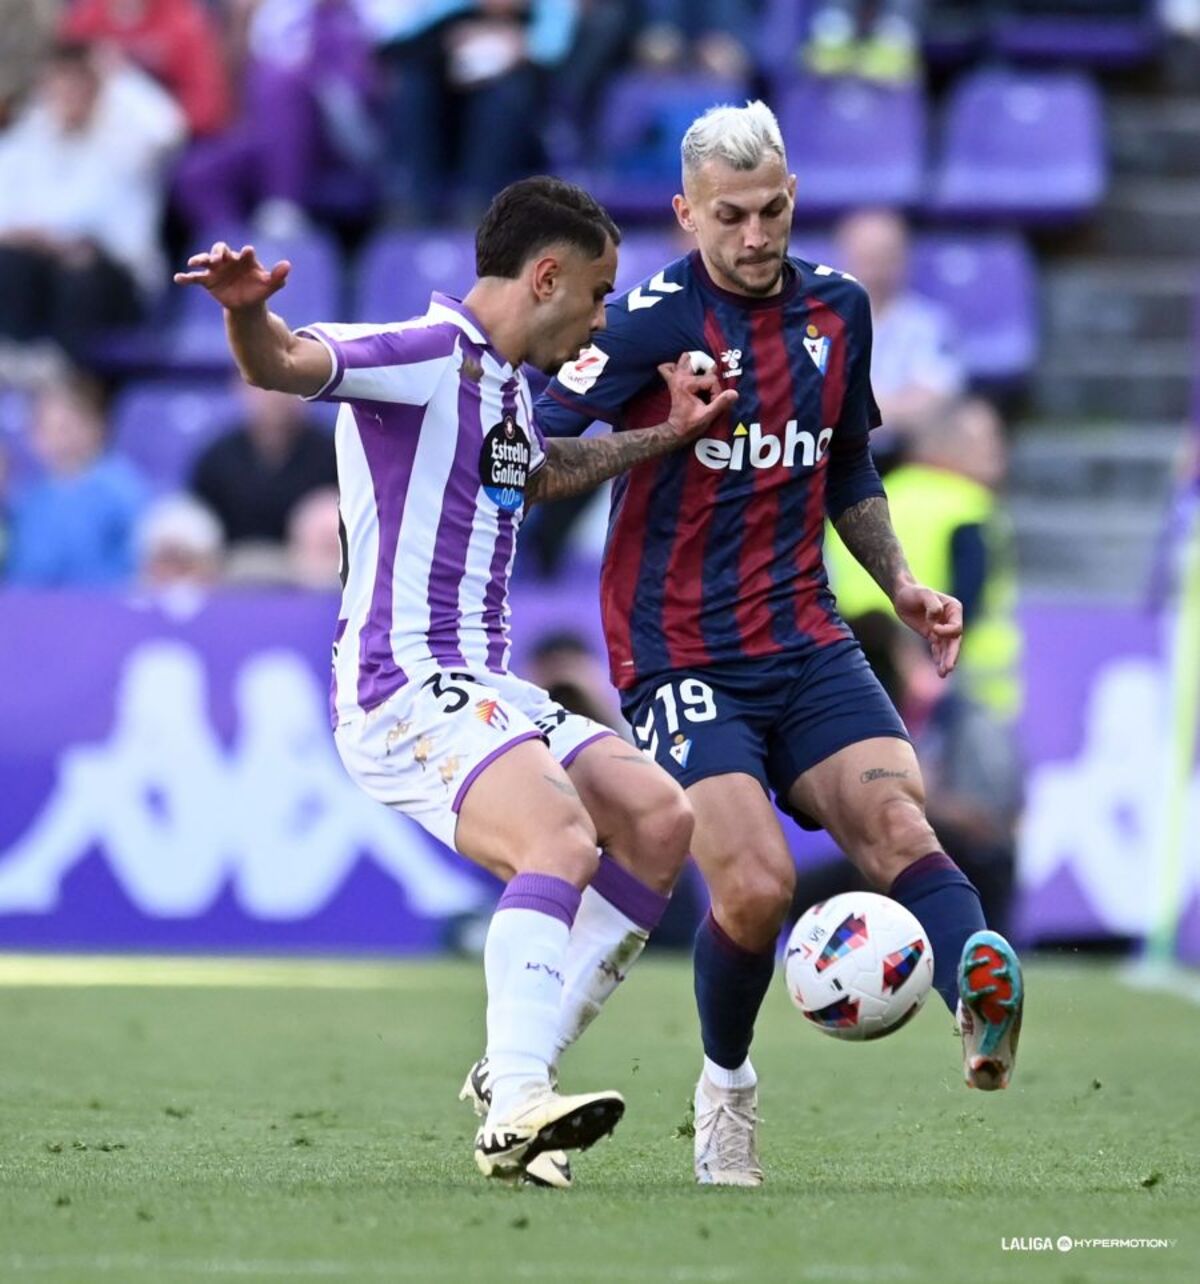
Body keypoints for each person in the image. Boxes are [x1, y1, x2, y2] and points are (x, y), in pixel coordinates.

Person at [175, 175, 737, 1187]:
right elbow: (290, 365)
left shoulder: (509, 384)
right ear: (547, 275)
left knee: (657, 822)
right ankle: (518, 1101)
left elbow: (545, 470)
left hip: (482, 682)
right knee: (559, 835)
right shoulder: (427, 355)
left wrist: (669, 436)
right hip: (401, 684)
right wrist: (251, 314)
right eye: (599, 294)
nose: (603, 316)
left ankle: (517, 1080)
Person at [535, 102, 1025, 1187]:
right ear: (685, 212)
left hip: (806, 637)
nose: (757, 237)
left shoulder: (838, 311)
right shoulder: (649, 325)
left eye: (775, 211)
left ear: (793, 200)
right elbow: (529, 458)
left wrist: (899, 584)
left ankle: (979, 999)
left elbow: (847, 466)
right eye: (732, 217)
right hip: (679, 652)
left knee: (900, 821)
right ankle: (727, 1090)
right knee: (753, 889)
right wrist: (667, 432)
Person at [826, 395, 1022, 722]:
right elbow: (966, 597)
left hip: (855, 679)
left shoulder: (865, 504)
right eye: (987, 441)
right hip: (953, 688)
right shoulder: (969, 507)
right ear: (948, 444)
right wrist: (926, 669)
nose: (999, 454)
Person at [0, 40, 185, 362]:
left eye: (77, 84)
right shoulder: (26, 141)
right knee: (10, 263)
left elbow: (170, 130)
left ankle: (70, 380)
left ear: (97, 87)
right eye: (59, 83)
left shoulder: (126, 140)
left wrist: (121, 74)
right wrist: (42, 240)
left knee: (79, 270)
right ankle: (17, 367)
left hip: (114, 278)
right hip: (39, 269)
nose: (68, 94)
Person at [832, 207, 964, 466]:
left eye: (885, 257)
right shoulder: (813, 324)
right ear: (845, 257)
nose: (875, 270)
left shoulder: (929, 326)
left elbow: (934, 402)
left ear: (903, 259)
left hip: (908, 457)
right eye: (866, 257)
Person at [5, 375, 147, 586]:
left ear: (94, 427)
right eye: (44, 426)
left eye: (64, 426)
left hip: (99, 607)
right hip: (29, 609)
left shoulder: (120, 488)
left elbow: (139, 559)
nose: (53, 437)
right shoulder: (28, 496)